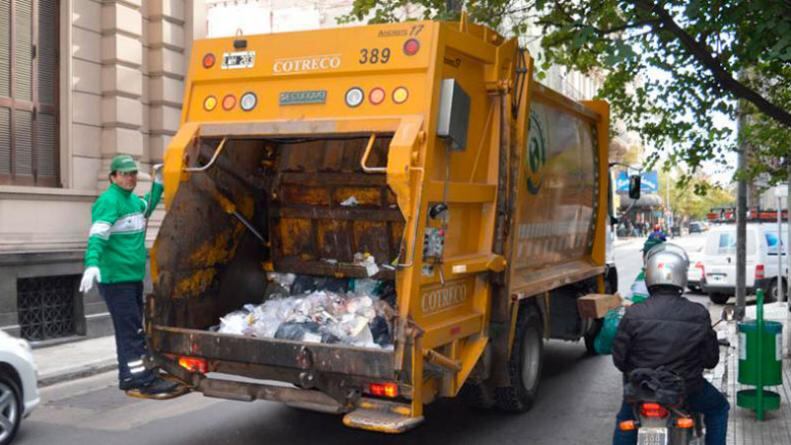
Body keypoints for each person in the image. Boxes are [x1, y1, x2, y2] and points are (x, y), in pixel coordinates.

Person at [79, 155, 181, 397]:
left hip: (131, 277)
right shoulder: (109, 201)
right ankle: (143, 379)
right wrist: (92, 264)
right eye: (125, 174)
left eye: (133, 173)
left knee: (132, 330)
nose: (130, 178)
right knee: (132, 331)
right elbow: (97, 236)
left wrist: (158, 182)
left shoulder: (132, 201)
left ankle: (129, 376)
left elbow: (148, 205)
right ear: (113, 177)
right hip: (117, 280)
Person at [611, 245, 729, 445]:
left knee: (626, 419)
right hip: (686, 389)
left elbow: (620, 360)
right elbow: (711, 360)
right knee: (719, 409)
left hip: (642, 389)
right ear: (681, 277)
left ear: (649, 277)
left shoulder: (634, 313)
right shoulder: (698, 313)